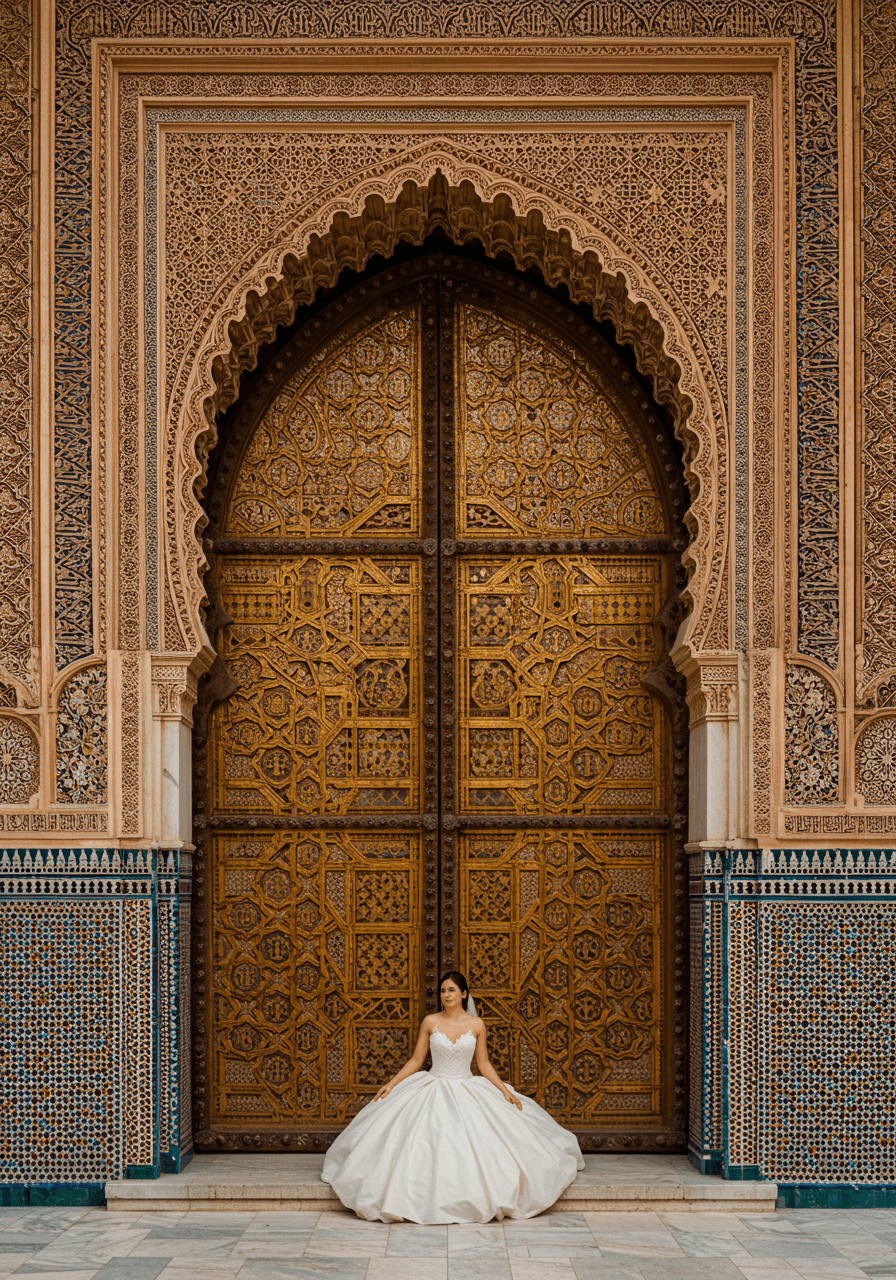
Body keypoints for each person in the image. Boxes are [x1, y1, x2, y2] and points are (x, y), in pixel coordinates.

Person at [321, 970, 584, 1223]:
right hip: (433, 1085)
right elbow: (416, 1060)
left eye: (452, 990)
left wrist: (504, 1090)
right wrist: (391, 1084)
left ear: (464, 994)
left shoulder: (477, 1024)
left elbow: (483, 1063)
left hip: (467, 1086)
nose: (446, 995)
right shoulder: (430, 1022)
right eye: (443, 991)